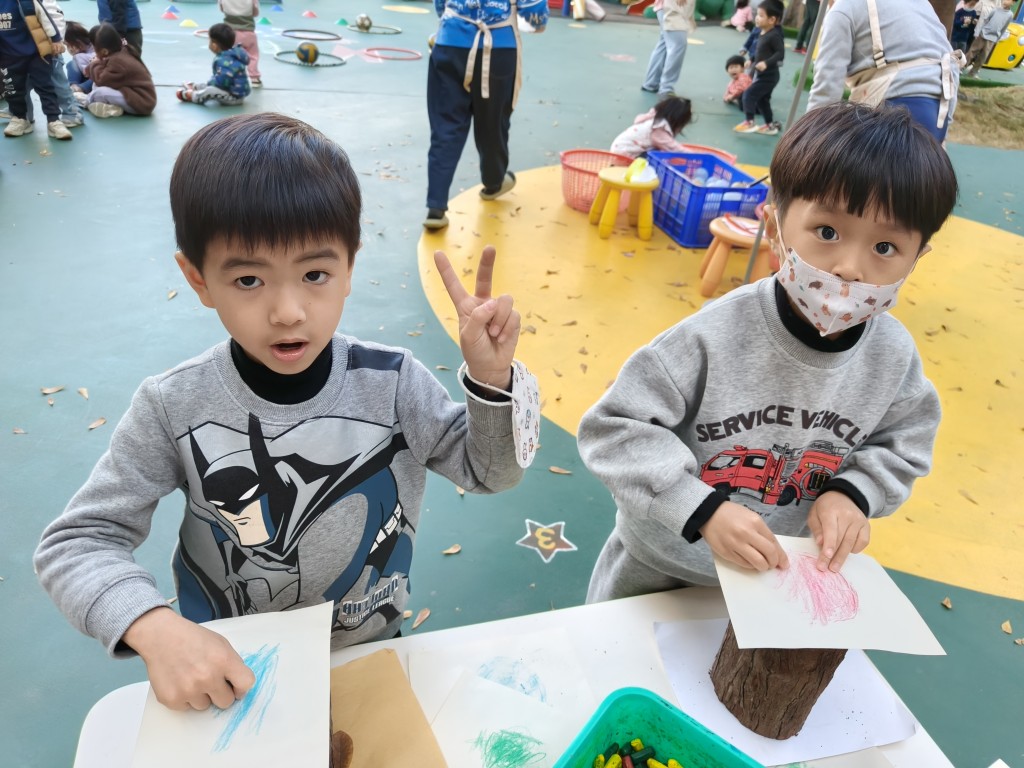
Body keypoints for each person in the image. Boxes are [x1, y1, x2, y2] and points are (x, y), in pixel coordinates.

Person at [34, 112, 534, 712]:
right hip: (229, 673)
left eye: (315, 274)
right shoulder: (174, 405)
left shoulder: (394, 384)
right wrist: (153, 626)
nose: (288, 311)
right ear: (197, 279)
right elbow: (79, 542)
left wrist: (491, 382)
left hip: (367, 652)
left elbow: (490, 471)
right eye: (249, 280)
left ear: (349, 268)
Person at [579, 101, 957, 602]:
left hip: (772, 581)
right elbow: (613, 429)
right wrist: (700, 508)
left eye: (885, 248)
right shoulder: (709, 337)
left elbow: (903, 442)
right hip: (659, 566)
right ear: (775, 228)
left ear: (917, 258)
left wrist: (854, 493)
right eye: (827, 232)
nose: (849, 268)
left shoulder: (894, 358)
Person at [424, 0, 549, 231]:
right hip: (498, 46)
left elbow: (441, 6)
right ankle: (493, 182)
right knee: (493, 122)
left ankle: (435, 206)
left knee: (446, 126)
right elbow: (535, 12)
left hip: (450, 41)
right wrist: (538, 22)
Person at [807, 0, 962, 143]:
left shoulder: (842, 9)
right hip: (940, 113)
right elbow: (950, 60)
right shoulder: (919, 3)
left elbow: (826, 90)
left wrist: (809, 144)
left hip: (893, 116)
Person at [0, 0, 73, 140]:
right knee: (13, 89)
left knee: (45, 86)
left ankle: (53, 120)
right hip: (8, 55)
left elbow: (45, 17)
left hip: (36, 52)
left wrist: (56, 39)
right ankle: (20, 119)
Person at [85, 22, 155, 117]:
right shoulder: (121, 50)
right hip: (132, 94)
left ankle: (85, 101)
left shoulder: (117, 61)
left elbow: (101, 80)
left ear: (105, 51)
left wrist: (94, 63)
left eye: (94, 48)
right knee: (96, 86)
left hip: (142, 103)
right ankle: (112, 107)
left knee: (99, 93)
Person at [734, 0, 784, 135]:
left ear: (772, 20)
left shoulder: (774, 35)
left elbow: (780, 53)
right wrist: (751, 60)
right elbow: (760, 52)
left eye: (761, 15)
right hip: (763, 75)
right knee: (763, 101)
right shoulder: (762, 33)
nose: (757, 17)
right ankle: (770, 126)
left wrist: (766, 63)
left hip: (769, 76)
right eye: (757, 14)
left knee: (748, 94)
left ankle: (749, 122)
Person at [176, 22, 251, 106]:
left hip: (234, 97)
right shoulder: (231, 54)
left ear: (214, 46)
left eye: (210, 41)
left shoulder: (225, 61)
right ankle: (196, 87)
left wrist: (211, 83)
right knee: (210, 84)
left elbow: (221, 82)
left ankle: (193, 96)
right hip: (231, 90)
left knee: (210, 90)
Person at [640, 0, 696, 98]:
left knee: (664, 44)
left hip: (672, 8)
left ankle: (651, 83)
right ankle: (666, 88)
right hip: (672, 8)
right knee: (677, 45)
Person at [610, 94, 693, 158]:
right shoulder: (658, 128)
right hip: (625, 155)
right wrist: (694, 155)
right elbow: (673, 148)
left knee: (659, 151)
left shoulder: (652, 119)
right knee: (658, 159)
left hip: (619, 151)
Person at [965, 0, 1015, 78]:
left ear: (1013, 3)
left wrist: (998, 39)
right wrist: (978, 32)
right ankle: (961, 67)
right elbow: (985, 21)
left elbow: (1004, 27)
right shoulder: (995, 9)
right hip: (982, 34)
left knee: (983, 57)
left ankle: (973, 72)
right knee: (972, 52)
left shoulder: (1010, 15)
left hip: (992, 38)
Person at [219, 0, 261, 87]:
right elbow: (255, 13)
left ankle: (229, 75)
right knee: (253, 56)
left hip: (230, 33)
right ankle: (254, 78)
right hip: (248, 33)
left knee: (230, 56)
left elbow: (222, 9)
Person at [63, 20, 96, 93]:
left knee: (98, 75)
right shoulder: (78, 56)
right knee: (71, 64)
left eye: (70, 45)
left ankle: (80, 88)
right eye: (67, 46)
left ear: (78, 40)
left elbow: (88, 72)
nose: (70, 49)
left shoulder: (95, 45)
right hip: (85, 77)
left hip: (95, 77)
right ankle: (73, 85)